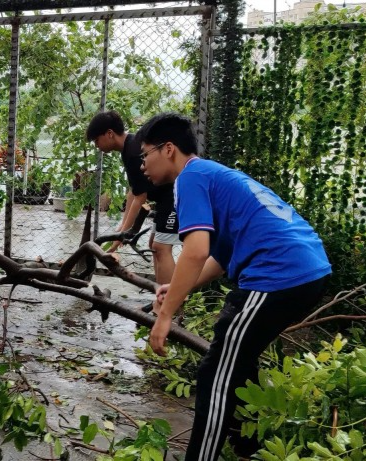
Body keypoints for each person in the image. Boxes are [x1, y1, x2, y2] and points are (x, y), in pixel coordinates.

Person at [140, 113, 331, 460]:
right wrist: (180, 290)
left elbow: (195, 251)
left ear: (168, 149)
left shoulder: (191, 178)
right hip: (306, 270)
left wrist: (166, 314)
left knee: (215, 374)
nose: (142, 166)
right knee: (238, 362)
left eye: (145, 155)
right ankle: (250, 449)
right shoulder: (212, 173)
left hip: (278, 273)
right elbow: (220, 258)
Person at [86, 110, 180, 284]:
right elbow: (134, 190)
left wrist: (122, 234)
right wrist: (123, 226)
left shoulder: (133, 150)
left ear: (109, 134)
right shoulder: (129, 146)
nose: (96, 146)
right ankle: (161, 299)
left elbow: (140, 198)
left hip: (174, 196)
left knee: (161, 247)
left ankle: (172, 306)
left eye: (97, 140)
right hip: (164, 198)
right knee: (155, 246)